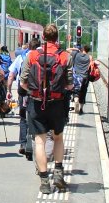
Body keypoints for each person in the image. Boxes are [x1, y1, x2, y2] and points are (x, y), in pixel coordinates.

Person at [20, 24, 73, 193]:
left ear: (43, 37)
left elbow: (23, 82)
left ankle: (44, 182)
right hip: (57, 104)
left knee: (40, 141)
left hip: (36, 103)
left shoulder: (32, 55)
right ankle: (58, 174)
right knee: (58, 138)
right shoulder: (65, 56)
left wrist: (35, 93)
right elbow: (70, 84)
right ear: (57, 38)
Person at [71, 43, 93, 114]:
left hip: (77, 77)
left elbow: (67, 50)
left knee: (76, 92)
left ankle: (76, 100)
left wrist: (76, 49)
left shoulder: (76, 54)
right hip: (85, 77)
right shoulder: (90, 57)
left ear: (82, 49)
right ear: (88, 50)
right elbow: (91, 67)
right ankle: (81, 109)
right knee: (83, 92)